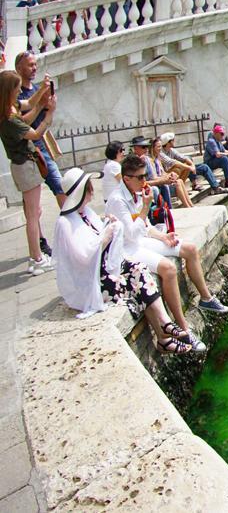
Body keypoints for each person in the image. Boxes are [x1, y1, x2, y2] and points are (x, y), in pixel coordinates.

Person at [53, 169, 193, 353]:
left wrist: (106, 226)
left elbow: (96, 237)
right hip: (91, 282)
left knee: (140, 270)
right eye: (88, 189)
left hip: (105, 268)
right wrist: (106, 235)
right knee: (136, 283)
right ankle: (164, 336)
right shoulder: (65, 223)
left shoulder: (85, 212)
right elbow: (82, 257)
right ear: (80, 192)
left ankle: (165, 327)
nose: (92, 192)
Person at [107, 155, 228, 351]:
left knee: (189, 248)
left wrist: (163, 237)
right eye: (140, 177)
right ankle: (184, 329)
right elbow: (130, 234)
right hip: (127, 249)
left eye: (145, 176)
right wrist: (146, 206)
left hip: (140, 241)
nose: (144, 181)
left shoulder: (136, 192)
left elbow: (146, 226)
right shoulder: (117, 200)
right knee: (168, 269)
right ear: (126, 178)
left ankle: (206, 299)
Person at [1, 70, 56, 275]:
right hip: (25, 165)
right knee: (32, 216)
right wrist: (49, 116)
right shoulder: (8, 118)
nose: (19, 92)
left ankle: (37, 257)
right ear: (10, 90)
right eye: (17, 88)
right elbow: (34, 133)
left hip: (24, 164)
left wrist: (42, 94)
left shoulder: (11, 108)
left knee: (35, 212)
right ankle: (37, 258)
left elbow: (30, 106)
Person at [15, 51, 63, 257]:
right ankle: (39, 242)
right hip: (27, 151)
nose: (34, 69)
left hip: (41, 147)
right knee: (32, 206)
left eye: (35, 65)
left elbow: (43, 113)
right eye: (30, 65)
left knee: (60, 186)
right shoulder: (14, 95)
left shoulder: (36, 89)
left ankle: (75, 227)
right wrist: (43, 106)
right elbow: (23, 119)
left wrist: (49, 104)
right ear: (19, 68)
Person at [160, 132, 225, 195]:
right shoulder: (161, 153)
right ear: (168, 142)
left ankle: (216, 187)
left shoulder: (171, 150)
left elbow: (183, 157)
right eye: (173, 140)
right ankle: (183, 188)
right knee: (180, 167)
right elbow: (173, 163)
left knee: (204, 167)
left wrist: (192, 166)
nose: (174, 141)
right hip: (168, 174)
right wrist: (190, 167)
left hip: (182, 171)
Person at [146, 135, 194, 208]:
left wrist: (170, 175)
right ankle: (187, 206)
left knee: (180, 180)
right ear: (152, 148)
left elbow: (163, 173)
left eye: (160, 146)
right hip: (157, 184)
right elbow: (153, 177)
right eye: (158, 147)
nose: (160, 148)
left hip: (162, 181)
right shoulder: (149, 160)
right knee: (178, 183)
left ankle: (191, 205)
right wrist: (167, 178)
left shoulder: (158, 158)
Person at [204, 124, 228, 188]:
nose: (222, 136)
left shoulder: (218, 141)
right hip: (209, 162)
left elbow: (224, 151)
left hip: (216, 160)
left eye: (223, 134)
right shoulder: (211, 141)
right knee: (224, 159)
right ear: (216, 133)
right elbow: (218, 154)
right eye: (221, 134)